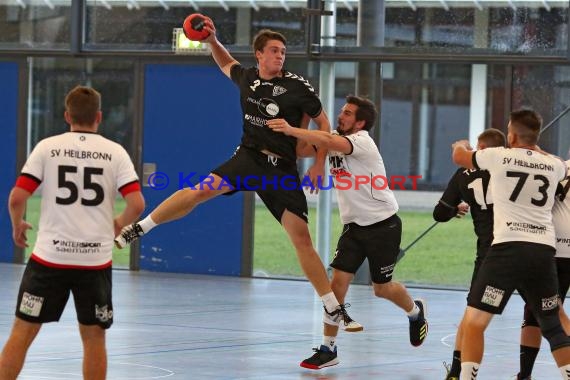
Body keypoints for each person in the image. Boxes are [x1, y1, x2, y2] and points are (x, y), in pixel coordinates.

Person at [114, 23, 362, 330]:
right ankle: (140, 227)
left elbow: (324, 125)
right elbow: (224, 62)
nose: (279, 56)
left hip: (280, 168)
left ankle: (332, 307)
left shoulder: (299, 87)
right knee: (199, 191)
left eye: (283, 52)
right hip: (248, 157)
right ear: (259, 54)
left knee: (301, 239)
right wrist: (212, 40)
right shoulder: (248, 78)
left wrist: (318, 164)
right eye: (273, 51)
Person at [267, 95, 429, 370]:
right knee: (337, 284)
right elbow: (304, 148)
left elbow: (328, 142)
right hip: (353, 228)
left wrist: (291, 128)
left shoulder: (362, 141)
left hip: (383, 226)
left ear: (360, 122)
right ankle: (328, 349)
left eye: (347, 114)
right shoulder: (333, 139)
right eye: (341, 111)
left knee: (382, 288)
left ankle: (415, 312)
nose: (340, 116)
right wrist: (296, 122)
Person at [0, 86, 145, 380]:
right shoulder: (115, 152)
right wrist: (117, 224)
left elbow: (17, 197)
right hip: (94, 262)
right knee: (93, 339)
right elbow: (137, 203)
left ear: (67, 116)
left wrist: (18, 223)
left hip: (49, 260)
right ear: (99, 117)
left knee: (23, 331)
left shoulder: (47, 147)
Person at [451, 109, 570, 379]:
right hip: (542, 251)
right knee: (551, 323)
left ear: (511, 135)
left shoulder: (499, 156)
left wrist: (460, 145)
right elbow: (543, 157)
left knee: (474, 322)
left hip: (507, 250)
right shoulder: (555, 164)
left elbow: (459, 157)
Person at [434, 129, 506, 380]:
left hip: (488, 252)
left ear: (482, 149)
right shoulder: (508, 165)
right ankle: (526, 372)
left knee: (473, 312)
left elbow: (439, 214)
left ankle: (457, 372)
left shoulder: (462, 174)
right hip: (522, 245)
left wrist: (455, 209)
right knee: (545, 315)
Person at [516, 161, 570, 380]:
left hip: (550, 250)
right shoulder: (555, 167)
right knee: (535, 312)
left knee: (549, 314)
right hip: (554, 250)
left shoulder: (553, 167)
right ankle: (524, 375)